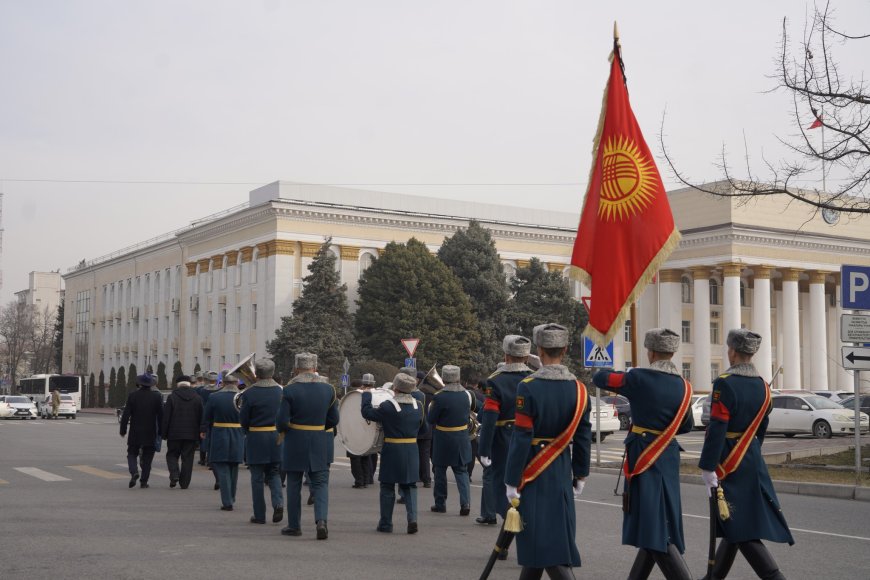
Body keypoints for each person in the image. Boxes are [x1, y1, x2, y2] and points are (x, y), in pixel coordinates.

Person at [592, 328, 694, 580]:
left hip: (643, 453)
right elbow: (687, 425)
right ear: (671, 353)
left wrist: (628, 373)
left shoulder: (638, 378)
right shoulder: (684, 385)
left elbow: (600, 378)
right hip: (668, 453)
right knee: (659, 517)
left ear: (650, 352)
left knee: (652, 522)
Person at [698, 329, 794, 580]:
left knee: (740, 526)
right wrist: (750, 449)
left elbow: (717, 427)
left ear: (732, 351)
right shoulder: (763, 385)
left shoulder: (724, 383)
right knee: (734, 523)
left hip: (728, 462)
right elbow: (761, 427)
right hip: (750, 459)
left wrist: (708, 466)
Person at [504, 323, 592, 580]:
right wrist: (581, 474)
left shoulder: (528, 386)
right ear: (564, 349)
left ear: (539, 350)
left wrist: (511, 480)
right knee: (547, 539)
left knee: (541, 542)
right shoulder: (580, 389)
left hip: (533, 472)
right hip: (562, 469)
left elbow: (521, 437)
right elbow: (584, 437)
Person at [277, 352, 339, 540]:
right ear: (314, 368)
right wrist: (318, 428)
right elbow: (334, 419)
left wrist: (288, 430)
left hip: (295, 440)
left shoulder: (289, 390)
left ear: (297, 368)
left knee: (294, 483)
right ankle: (321, 520)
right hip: (319, 439)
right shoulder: (329, 389)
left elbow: (281, 421)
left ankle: (294, 525)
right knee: (320, 483)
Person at [478, 335, 533, 529]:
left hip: (503, 439)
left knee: (504, 488)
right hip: (530, 438)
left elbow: (490, 417)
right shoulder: (534, 378)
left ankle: (506, 535)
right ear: (526, 357)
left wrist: (483, 449)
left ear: (506, 355)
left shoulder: (495, 381)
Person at [361, 372, 424, 534]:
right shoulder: (419, 406)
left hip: (392, 449)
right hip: (411, 450)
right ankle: (413, 520)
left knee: (388, 486)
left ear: (395, 388)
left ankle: (386, 523)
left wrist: (367, 395)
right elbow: (425, 428)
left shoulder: (388, 406)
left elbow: (367, 413)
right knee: (410, 486)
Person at [239, 359, 285, 526]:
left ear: (256, 374)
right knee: (274, 473)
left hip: (256, 437)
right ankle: (278, 503)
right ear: (272, 373)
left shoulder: (249, 393)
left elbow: (243, 419)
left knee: (257, 477)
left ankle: (259, 515)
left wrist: (247, 432)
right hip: (276, 437)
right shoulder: (281, 391)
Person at [428, 364, 475, 516]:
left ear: (443, 378)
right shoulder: (467, 394)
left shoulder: (439, 396)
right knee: (462, 472)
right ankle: (465, 503)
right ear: (458, 378)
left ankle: (440, 504)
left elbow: (431, 419)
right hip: (461, 437)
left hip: (443, 439)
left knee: (440, 472)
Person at [202, 373, 245, 511]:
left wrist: (203, 429)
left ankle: (227, 501)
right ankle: (231, 497)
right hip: (238, 433)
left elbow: (206, 416)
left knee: (222, 467)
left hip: (220, 433)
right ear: (237, 383)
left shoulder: (215, 397)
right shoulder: (243, 397)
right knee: (234, 467)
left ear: (223, 383)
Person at [119, 374, 163, 489]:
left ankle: (134, 472)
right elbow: (161, 415)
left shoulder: (133, 395)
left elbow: (126, 414)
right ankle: (144, 481)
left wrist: (123, 430)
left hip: (135, 431)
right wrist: (161, 431)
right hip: (150, 431)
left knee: (132, 453)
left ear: (140, 383)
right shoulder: (157, 397)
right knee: (148, 457)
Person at [161, 374, 204, 490]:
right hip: (191, 434)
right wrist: (201, 432)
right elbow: (201, 417)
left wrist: (163, 433)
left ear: (178, 385)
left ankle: (174, 474)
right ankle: (184, 483)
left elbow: (166, 417)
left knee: (172, 455)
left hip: (174, 433)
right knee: (188, 458)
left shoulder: (172, 397)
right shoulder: (197, 398)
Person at [196, 371, 221, 467]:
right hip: (215, 416)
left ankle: (202, 459)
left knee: (204, 437)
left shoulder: (202, 390)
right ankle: (211, 460)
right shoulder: (219, 390)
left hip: (205, 414)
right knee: (213, 438)